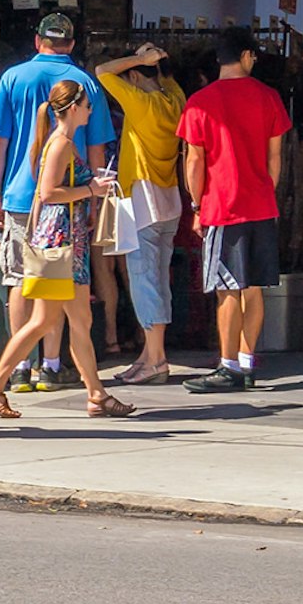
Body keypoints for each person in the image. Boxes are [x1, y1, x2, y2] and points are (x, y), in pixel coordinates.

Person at [0, 77, 131, 420]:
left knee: (80, 319)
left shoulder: (61, 140)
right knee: (43, 320)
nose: (92, 111)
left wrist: (91, 189)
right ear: (74, 108)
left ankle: (97, 395)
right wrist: (92, 190)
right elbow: (48, 193)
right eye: (88, 105)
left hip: (66, 245)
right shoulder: (61, 143)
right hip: (59, 244)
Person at [0, 10, 114, 396]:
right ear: (71, 45)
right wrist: (93, 199)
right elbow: (96, 146)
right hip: (66, 202)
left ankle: (20, 367)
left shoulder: (13, 77)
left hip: (22, 197)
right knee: (59, 282)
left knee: (23, 281)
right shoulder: (85, 83)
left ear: (38, 41)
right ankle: (51, 365)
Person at [177, 28, 290, 394]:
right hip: (260, 203)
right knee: (253, 287)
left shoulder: (200, 101)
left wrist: (196, 202)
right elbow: (276, 157)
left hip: (223, 204)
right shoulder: (269, 97)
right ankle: (246, 360)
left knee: (227, 288)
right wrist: (265, 190)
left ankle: (227, 367)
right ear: (245, 56)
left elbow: (194, 160)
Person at [93, 39, 187, 385]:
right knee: (159, 279)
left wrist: (137, 57)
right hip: (169, 198)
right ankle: (149, 354)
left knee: (144, 281)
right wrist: (157, 58)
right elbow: (169, 76)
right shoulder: (175, 99)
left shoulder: (141, 102)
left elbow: (102, 72)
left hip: (143, 201)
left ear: (133, 77)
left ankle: (157, 360)